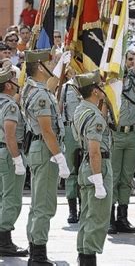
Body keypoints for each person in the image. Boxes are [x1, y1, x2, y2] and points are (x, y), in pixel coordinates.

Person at [21, 49, 69, 265]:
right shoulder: (40, 94)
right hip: (45, 149)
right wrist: (59, 157)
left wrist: (60, 65)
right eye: (50, 62)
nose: (53, 65)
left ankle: (35, 246)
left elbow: (51, 84)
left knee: (38, 202)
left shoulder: (32, 88)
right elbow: (47, 130)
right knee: (45, 204)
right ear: (40, 67)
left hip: (39, 148)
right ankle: (38, 254)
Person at [73, 70, 113, 265]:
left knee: (87, 216)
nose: (104, 89)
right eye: (101, 87)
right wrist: (99, 180)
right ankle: (89, 260)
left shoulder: (81, 109)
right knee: (98, 217)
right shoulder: (94, 117)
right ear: (95, 91)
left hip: (85, 165)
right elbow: (95, 149)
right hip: (98, 165)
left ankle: (83, 256)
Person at [108, 47, 135, 235]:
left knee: (127, 177)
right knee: (113, 176)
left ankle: (123, 217)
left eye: (131, 59)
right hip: (116, 134)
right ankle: (110, 218)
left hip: (132, 134)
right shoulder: (111, 81)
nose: (129, 62)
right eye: (126, 59)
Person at [0, 65, 28, 257]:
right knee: (12, 199)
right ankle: (4, 241)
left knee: (3, 197)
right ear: (8, 85)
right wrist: (17, 159)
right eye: (15, 80)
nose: (18, 84)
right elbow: (10, 136)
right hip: (8, 153)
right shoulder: (9, 105)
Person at [59, 75, 83, 224]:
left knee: (85, 171)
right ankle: (72, 210)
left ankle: (83, 207)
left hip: (85, 129)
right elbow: (60, 108)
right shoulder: (66, 87)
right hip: (69, 129)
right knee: (71, 171)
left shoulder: (89, 82)